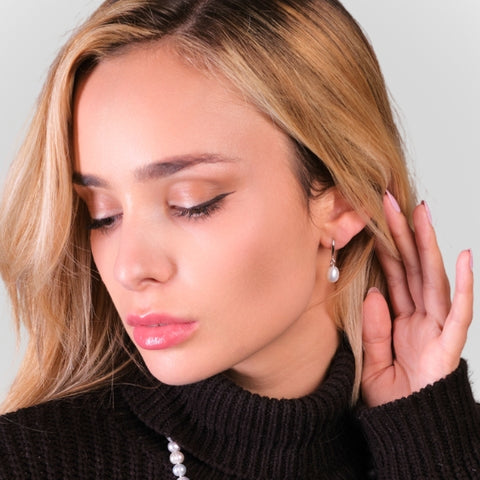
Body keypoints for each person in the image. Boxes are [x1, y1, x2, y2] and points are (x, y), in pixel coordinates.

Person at [0, 0, 478, 478]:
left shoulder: (447, 446)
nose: (130, 268)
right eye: (102, 215)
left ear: (345, 202)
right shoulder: (28, 463)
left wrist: (427, 442)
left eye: (193, 203)